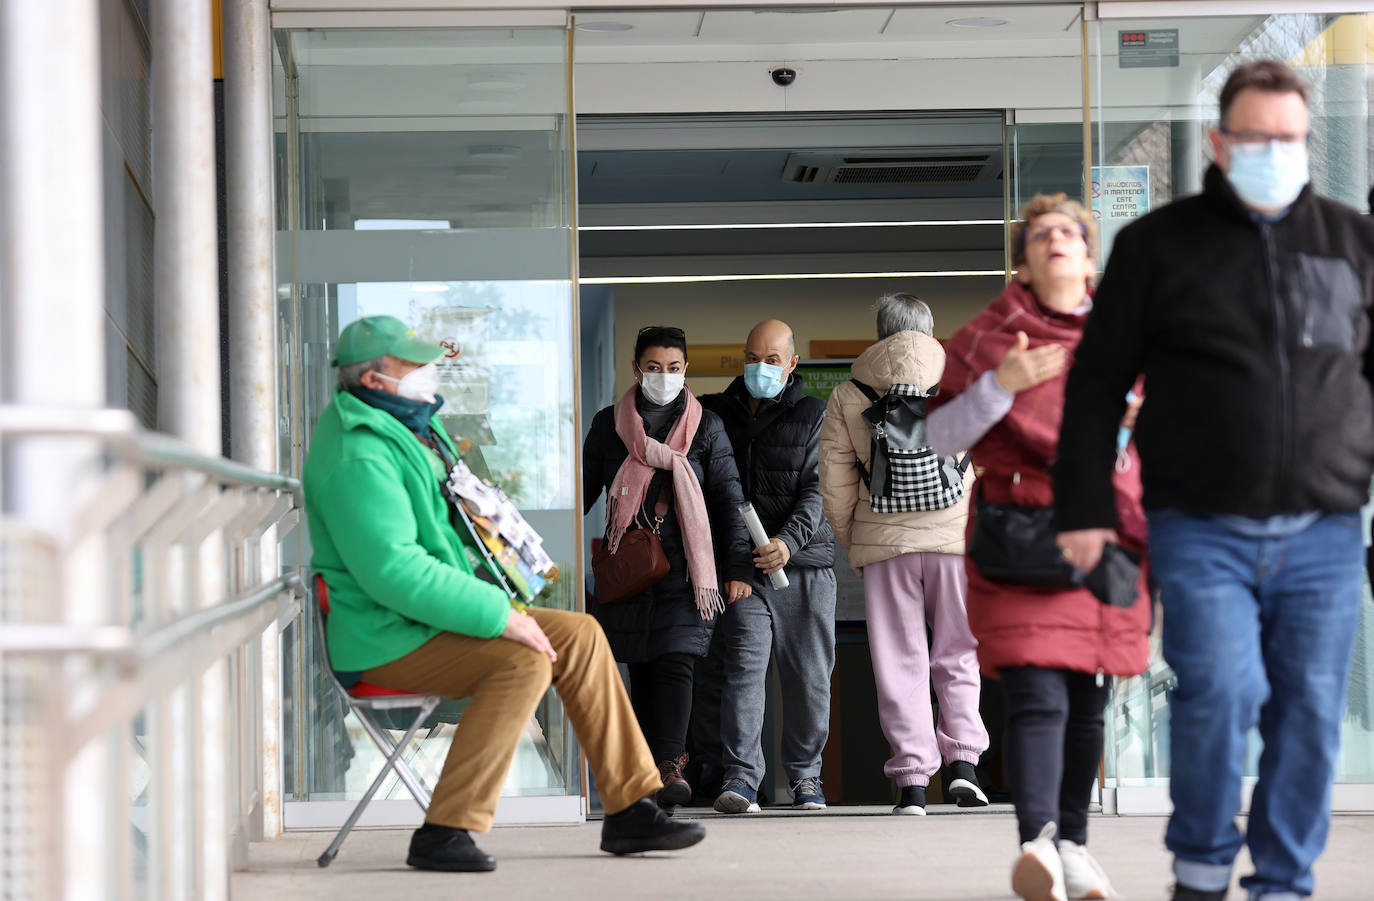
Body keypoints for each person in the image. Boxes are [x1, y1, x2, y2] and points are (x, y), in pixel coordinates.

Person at [1055, 60, 1374, 901]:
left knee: (1307, 714)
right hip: (1202, 524)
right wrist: (1085, 507)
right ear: (1221, 142)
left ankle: (1282, 882)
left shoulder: (1351, 243)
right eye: (1259, 137)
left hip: (1327, 527)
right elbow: (1094, 385)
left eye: (1293, 139)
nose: (1277, 151)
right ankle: (1200, 872)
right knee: (1219, 696)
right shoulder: (1159, 247)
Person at [303, 316, 704, 872]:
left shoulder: (406, 427)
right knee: (523, 659)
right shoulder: (359, 454)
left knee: (582, 634)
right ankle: (447, 829)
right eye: (412, 366)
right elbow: (396, 573)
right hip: (386, 638)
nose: (428, 373)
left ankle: (631, 808)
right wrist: (501, 615)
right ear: (374, 381)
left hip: (422, 621)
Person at [927, 195, 1151, 901]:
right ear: (1022, 260)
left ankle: (1075, 847)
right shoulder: (987, 336)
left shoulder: (1130, 335)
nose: (1056, 241)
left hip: (1105, 535)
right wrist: (1003, 385)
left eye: (1070, 234)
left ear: (1089, 257)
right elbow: (937, 436)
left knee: (1088, 700)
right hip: (1018, 536)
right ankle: (1036, 843)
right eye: (1041, 234)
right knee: (1034, 694)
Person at [819, 293, 990, 816]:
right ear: (930, 329)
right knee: (958, 650)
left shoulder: (850, 392)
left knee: (899, 660)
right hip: (953, 541)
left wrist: (859, 541)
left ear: (880, 332)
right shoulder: (962, 379)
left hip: (884, 545)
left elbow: (835, 484)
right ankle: (963, 765)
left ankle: (913, 782)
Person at [583, 325, 754, 807]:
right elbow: (582, 489)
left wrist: (737, 567)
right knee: (641, 665)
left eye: (674, 368)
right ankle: (646, 770)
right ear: (637, 369)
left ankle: (670, 765)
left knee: (677, 661)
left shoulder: (706, 426)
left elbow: (727, 500)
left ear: (686, 371)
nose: (665, 377)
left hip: (687, 570)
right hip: (630, 567)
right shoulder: (607, 425)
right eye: (654, 368)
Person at [699, 319, 837, 814]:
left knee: (809, 677)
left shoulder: (814, 414)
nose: (761, 368)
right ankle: (741, 778)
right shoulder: (715, 414)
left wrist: (788, 542)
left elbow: (818, 490)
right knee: (743, 671)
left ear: (792, 363)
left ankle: (805, 777)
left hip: (805, 566)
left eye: (773, 359)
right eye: (753, 358)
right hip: (745, 568)